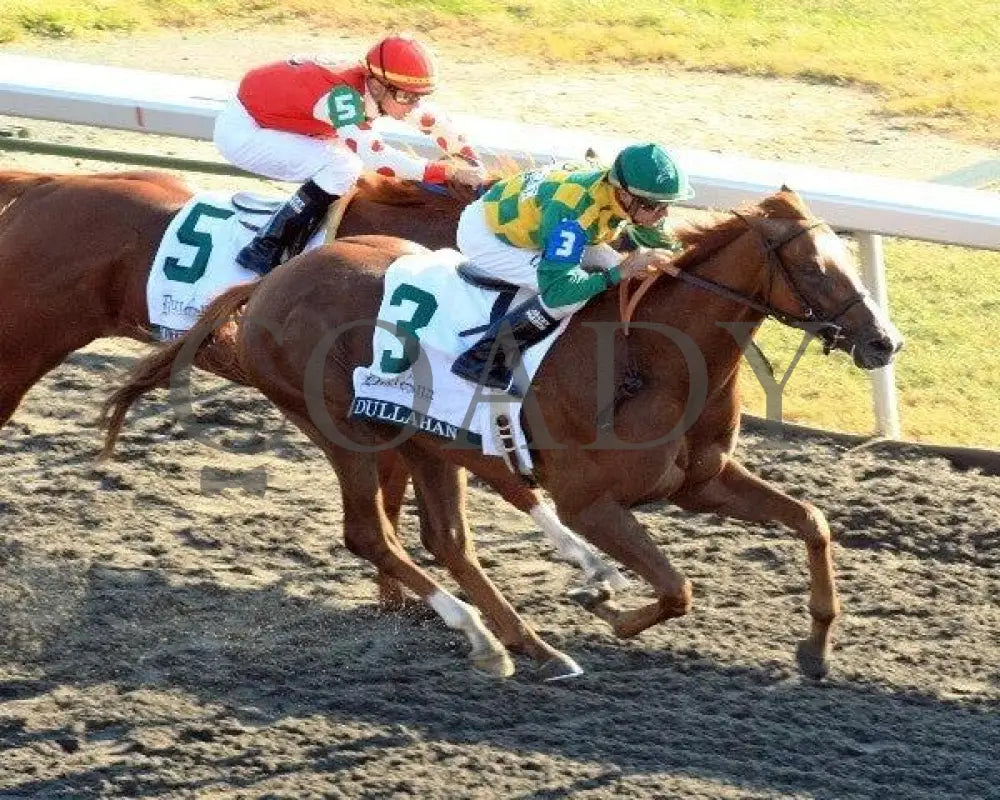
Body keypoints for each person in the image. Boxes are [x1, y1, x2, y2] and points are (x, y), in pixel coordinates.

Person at [214, 34, 487, 275]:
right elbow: (377, 157)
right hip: (246, 132)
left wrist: (469, 158)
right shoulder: (341, 96)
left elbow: (433, 121)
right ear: (379, 86)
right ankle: (266, 246)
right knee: (343, 165)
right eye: (407, 97)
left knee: (345, 163)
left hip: (282, 123)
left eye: (420, 97)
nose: (413, 106)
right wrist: (448, 171)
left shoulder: (377, 83)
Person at [451, 142, 694, 395]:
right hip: (487, 236)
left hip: (535, 220)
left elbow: (656, 235)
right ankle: (483, 359)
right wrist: (618, 273)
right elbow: (558, 291)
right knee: (570, 300)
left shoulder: (616, 192)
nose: (663, 214)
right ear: (624, 194)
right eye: (654, 206)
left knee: (616, 264)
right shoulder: (573, 216)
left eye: (667, 204)